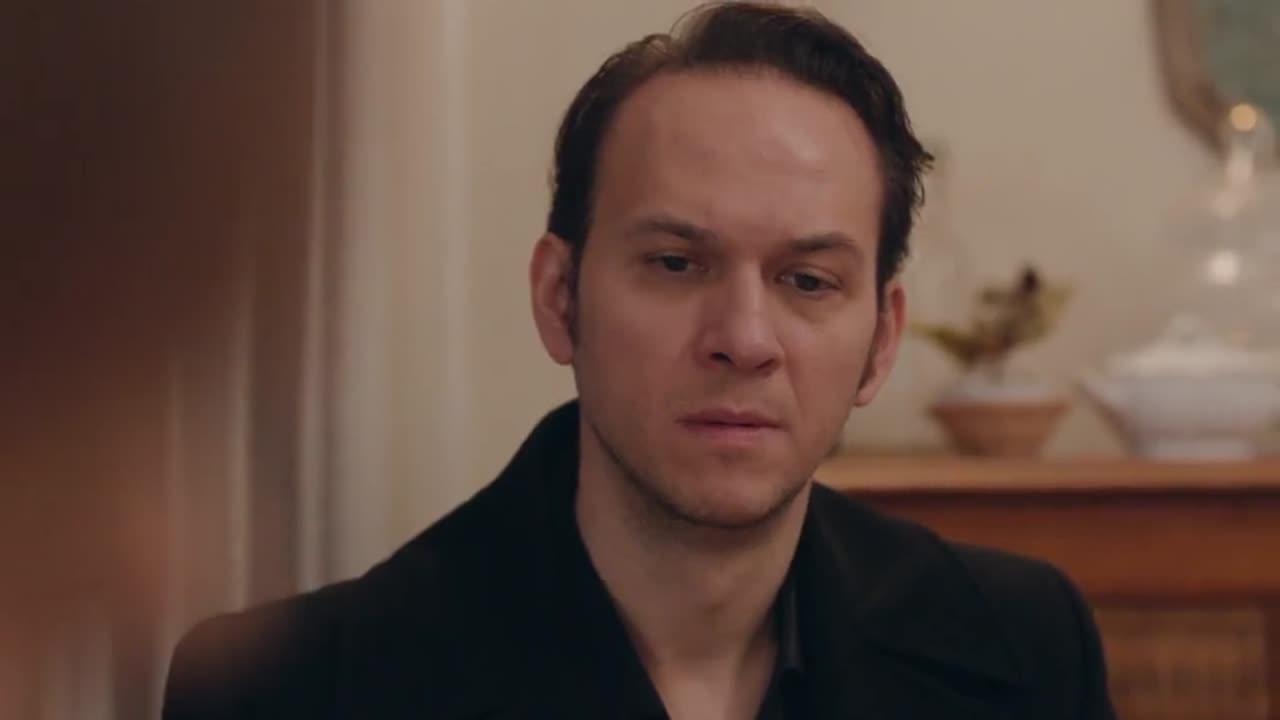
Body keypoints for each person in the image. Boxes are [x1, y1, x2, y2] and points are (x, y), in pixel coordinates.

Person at [162, 3, 1116, 718]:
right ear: (560, 299)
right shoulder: (283, 691)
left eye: (808, 280)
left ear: (883, 342)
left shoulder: (1027, 650)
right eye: (675, 264)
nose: (744, 338)